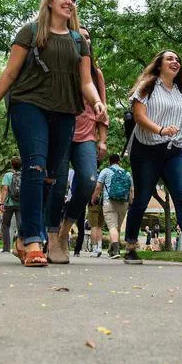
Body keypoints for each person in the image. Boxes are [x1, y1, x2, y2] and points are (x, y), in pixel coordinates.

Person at [0, 0, 106, 267]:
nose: (70, 2)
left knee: (49, 176)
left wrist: (96, 102)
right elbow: (10, 74)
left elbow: (86, 81)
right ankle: (34, 240)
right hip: (29, 105)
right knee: (34, 165)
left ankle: (24, 237)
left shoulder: (77, 41)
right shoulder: (31, 32)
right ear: (49, 1)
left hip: (64, 110)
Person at [123, 50, 182, 265]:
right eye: (170, 59)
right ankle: (130, 245)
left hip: (173, 150)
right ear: (159, 65)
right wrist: (160, 129)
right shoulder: (147, 86)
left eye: (178, 60)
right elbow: (139, 117)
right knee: (142, 199)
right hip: (146, 150)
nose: (175, 62)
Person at [46, 26, 109, 263]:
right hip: (60, 133)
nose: (85, 39)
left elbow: (102, 109)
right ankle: (52, 239)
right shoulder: (60, 67)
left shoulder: (95, 73)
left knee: (88, 181)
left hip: (85, 137)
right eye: (80, 35)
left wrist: (102, 141)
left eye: (88, 36)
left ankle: (65, 230)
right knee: (58, 186)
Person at [92, 154, 133, 259]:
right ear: (119, 161)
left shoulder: (105, 171)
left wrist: (94, 198)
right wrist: (130, 202)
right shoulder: (127, 173)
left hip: (109, 202)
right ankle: (111, 249)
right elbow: (131, 190)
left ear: (109, 161)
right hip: (123, 203)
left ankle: (115, 250)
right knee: (117, 227)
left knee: (112, 227)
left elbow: (98, 187)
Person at [1, 157, 22, 254]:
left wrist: (2, 202)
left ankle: (6, 248)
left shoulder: (7, 175)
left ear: (11, 165)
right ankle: (21, 246)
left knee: (5, 225)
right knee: (20, 225)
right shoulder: (24, 175)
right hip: (21, 204)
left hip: (9, 203)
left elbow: (5, 189)